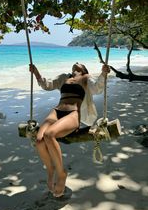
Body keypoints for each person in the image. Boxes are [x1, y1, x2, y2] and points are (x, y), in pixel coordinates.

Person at [29, 62, 110, 197]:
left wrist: (103, 73)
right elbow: (47, 85)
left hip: (73, 114)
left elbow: (98, 88)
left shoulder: (86, 78)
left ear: (84, 69)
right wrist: (36, 72)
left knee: (49, 135)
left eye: (80, 64)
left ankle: (61, 174)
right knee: (39, 141)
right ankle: (51, 170)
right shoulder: (63, 78)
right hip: (56, 112)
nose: (77, 63)